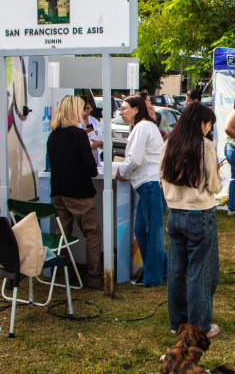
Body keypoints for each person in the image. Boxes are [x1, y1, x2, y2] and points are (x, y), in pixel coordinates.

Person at [160, 103, 222, 339]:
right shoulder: (205, 146)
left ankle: (177, 323)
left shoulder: (169, 143)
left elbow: (161, 177)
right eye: (208, 124)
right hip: (199, 213)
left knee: (176, 270)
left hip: (175, 212)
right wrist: (217, 173)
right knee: (200, 271)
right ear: (200, 123)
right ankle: (199, 327)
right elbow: (214, 185)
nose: (209, 129)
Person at [47, 95, 103, 290]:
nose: (83, 113)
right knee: (92, 233)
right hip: (79, 193)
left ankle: (64, 275)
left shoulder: (53, 136)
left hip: (58, 192)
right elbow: (91, 168)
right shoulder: (78, 135)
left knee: (62, 236)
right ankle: (93, 277)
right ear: (73, 111)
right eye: (80, 108)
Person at [116, 95, 168, 287]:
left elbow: (135, 159)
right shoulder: (143, 127)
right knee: (143, 230)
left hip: (151, 185)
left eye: (124, 108)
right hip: (149, 185)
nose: (121, 112)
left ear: (136, 109)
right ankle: (163, 269)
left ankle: (153, 277)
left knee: (152, 232)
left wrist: (122, 172)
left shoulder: (142, 127)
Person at [78, 95, 104, 167]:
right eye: (84, 109)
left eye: (88, 108)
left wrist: (100, 143)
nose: (86, 112)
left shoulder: (94, 121)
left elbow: (103, 137)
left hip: (95, 158)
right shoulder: (75, 122)